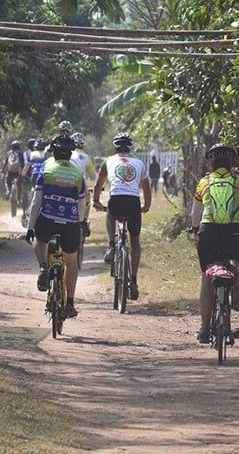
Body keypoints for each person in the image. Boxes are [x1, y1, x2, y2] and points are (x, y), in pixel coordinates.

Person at [190, 143, 239, 344]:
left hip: (208, 233)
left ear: (211, 162)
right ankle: (236, 286)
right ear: (230, 162)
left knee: (206, 278)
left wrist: (193, 229)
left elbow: (195, 214)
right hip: (235, 233)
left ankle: (203, 329)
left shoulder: (204, 183)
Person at [27, 134, 88, 318]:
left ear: (53, 151)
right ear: (71, 154)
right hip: (69, 223)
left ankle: (43, 266)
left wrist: (30, 227)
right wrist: (80, 223)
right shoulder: (78, 173)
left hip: (47, 220)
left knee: (40, 240)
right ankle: (69, 303)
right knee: (71, 263)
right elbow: (82, 203)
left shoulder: (46, 169)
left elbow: (36, 202)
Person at [92, 132, 150, 300]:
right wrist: (146, 206)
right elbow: (146, 188)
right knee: (135, 242)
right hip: (133, 203)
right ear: (130, 148)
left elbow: (98, 184)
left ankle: (111, 245)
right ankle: (133, 281)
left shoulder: (108, 161)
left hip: (116, 199)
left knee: (110, 215)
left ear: (115, 147)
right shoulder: (139, 163)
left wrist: (96, 201)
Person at [69, 132, 96, 238]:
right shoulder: (86, 157)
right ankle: (84, 221)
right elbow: (93, 176)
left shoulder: (66, 153)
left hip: (66, 180)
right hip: (80, 182)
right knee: (87, 201)